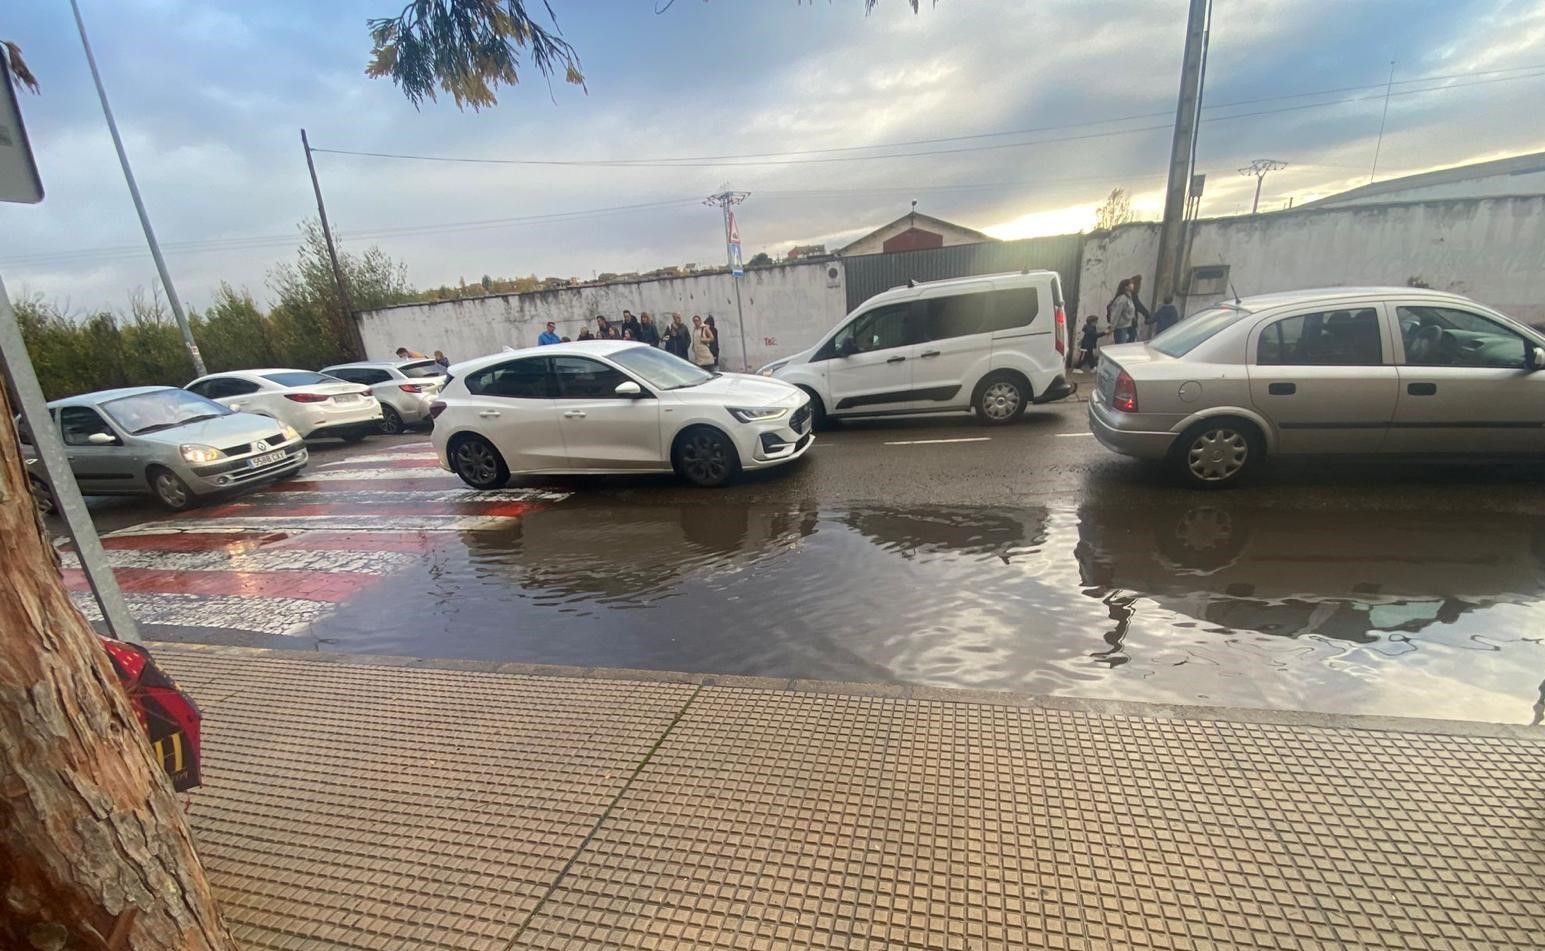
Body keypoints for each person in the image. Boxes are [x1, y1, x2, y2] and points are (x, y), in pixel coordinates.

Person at [1108, 279, 1137, 344]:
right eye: (1131, 283)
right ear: (1126, 287)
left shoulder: (1129, 297)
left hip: (1127, 326)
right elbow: (1116, 313)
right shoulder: (1122, 298)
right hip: (1121, 327)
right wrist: (1112, 327)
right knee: (1120, 347)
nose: (1133, 285)